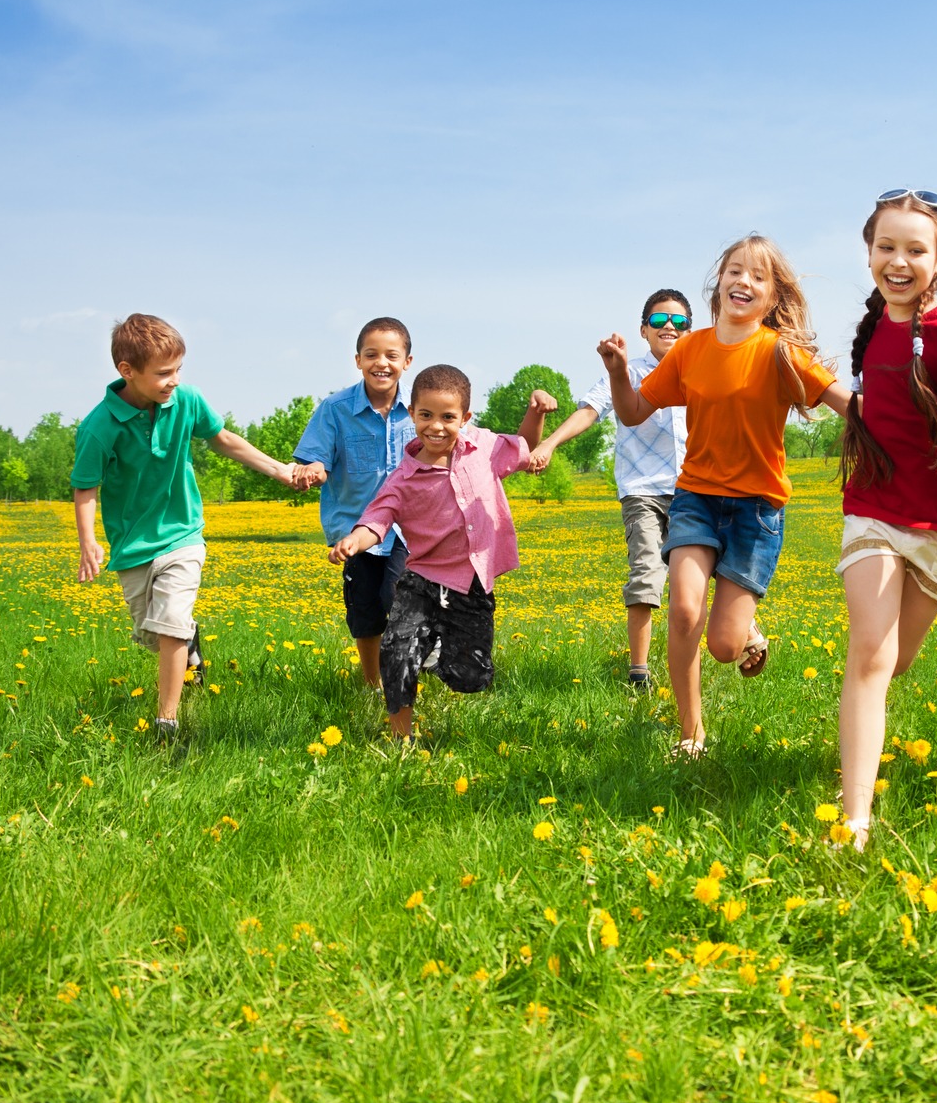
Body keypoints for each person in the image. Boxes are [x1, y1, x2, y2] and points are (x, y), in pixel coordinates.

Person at [600, 234, 852, 756]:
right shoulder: (691, 349)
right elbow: (631, 412)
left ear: (773, 296)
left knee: (722, 646)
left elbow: (846, 404)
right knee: (685, 610)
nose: (744, 281)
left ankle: (748, 633)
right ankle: (690, 733)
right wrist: (618, 371)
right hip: (696, 497)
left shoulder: (781, 353)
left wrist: (914, 427)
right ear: (720, 280)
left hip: (756, 511)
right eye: (736, 270)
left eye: (758, 276)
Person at [834, 190, 937, 850]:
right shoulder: (874, 328)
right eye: (886, 247)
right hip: (875, 508)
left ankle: (860, 741)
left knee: (894, 662)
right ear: (870, 252)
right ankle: (854, 820)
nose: (898, 261)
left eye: (914, 249)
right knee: (872, 654)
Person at [72, 313, 297, 746]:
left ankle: (167, 724)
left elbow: (223, 439)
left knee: (171, 620)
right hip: (132, 544)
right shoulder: (99, 427)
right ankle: (190, 644)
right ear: (127, 371)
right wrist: (88, 542)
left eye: (178, 370)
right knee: (155, 634)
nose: (174, 380)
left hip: (183, 533)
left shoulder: (187, 401)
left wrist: (278, 470)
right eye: (162, 373)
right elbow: (85, 488)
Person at [331, 364, 555, 742]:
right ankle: (401, 737)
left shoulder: (483, 448)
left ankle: (435, 651)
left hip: (471, 581)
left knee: (470, 676)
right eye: (425, 415)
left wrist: (536, 414)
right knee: (397, 651)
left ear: (465, 417)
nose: (436, 426)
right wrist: (355, 540)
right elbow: (377, 519)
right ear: (412, 414)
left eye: (448, 417)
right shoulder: (403, 477)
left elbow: (523, 449)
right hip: (421, 579)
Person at [528, 289, 691, 691]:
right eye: (658, 321)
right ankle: (639, 674)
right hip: (643, 492)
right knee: (647, 572)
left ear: (691, 331)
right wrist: (547, 444)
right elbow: (590, 410)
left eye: (678, 321)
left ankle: (729, 642)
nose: (668, 326)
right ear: (643, 330)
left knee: (705, 572)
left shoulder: (700, 371)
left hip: (694, 489)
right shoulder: (628, 372)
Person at [288, 318, 415, 690]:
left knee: (401, 596)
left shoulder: (420, 407)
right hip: (354, 531)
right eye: (372, 354)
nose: (382, 363)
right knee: (366, 613)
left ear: (407, 361)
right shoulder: (335, 408)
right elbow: (318, 460)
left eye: (392, 355)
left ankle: (406, 677)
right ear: (357, 359)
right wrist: (312, 470)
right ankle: (374, 686)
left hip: (409, 530)